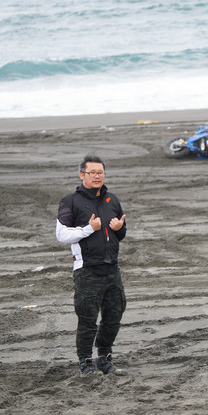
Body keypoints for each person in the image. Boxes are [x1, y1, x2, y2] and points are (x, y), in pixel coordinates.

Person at [56, 154, 128, 377]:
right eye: (92, 173)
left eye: (100, 172)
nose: (97, 176)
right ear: (82, 175)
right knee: (87, 319)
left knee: (114, 315)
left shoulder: (111, 200)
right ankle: (86, 363)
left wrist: (118, 229)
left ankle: (105, 359)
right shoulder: (70, 202)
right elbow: (61, 235)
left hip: (111, 269)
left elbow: (121, 233)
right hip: (87, 270)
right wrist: (89, 229)